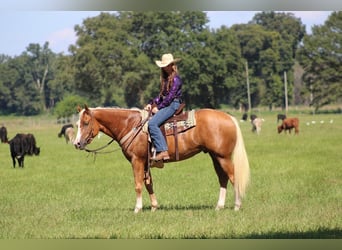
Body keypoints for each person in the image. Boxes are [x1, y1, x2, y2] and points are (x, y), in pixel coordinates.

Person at [144, 53, 183, 161]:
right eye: (164, 66)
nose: (165, 68)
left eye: (167, 65)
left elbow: (170, 97)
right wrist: (151, 103)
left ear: (172, 65)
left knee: (152, 123)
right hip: (168, 103)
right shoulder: (166, 79)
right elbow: (162, 96)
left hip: (173, 104)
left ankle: (163, 150)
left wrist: (159, 107)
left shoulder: (176, 79)